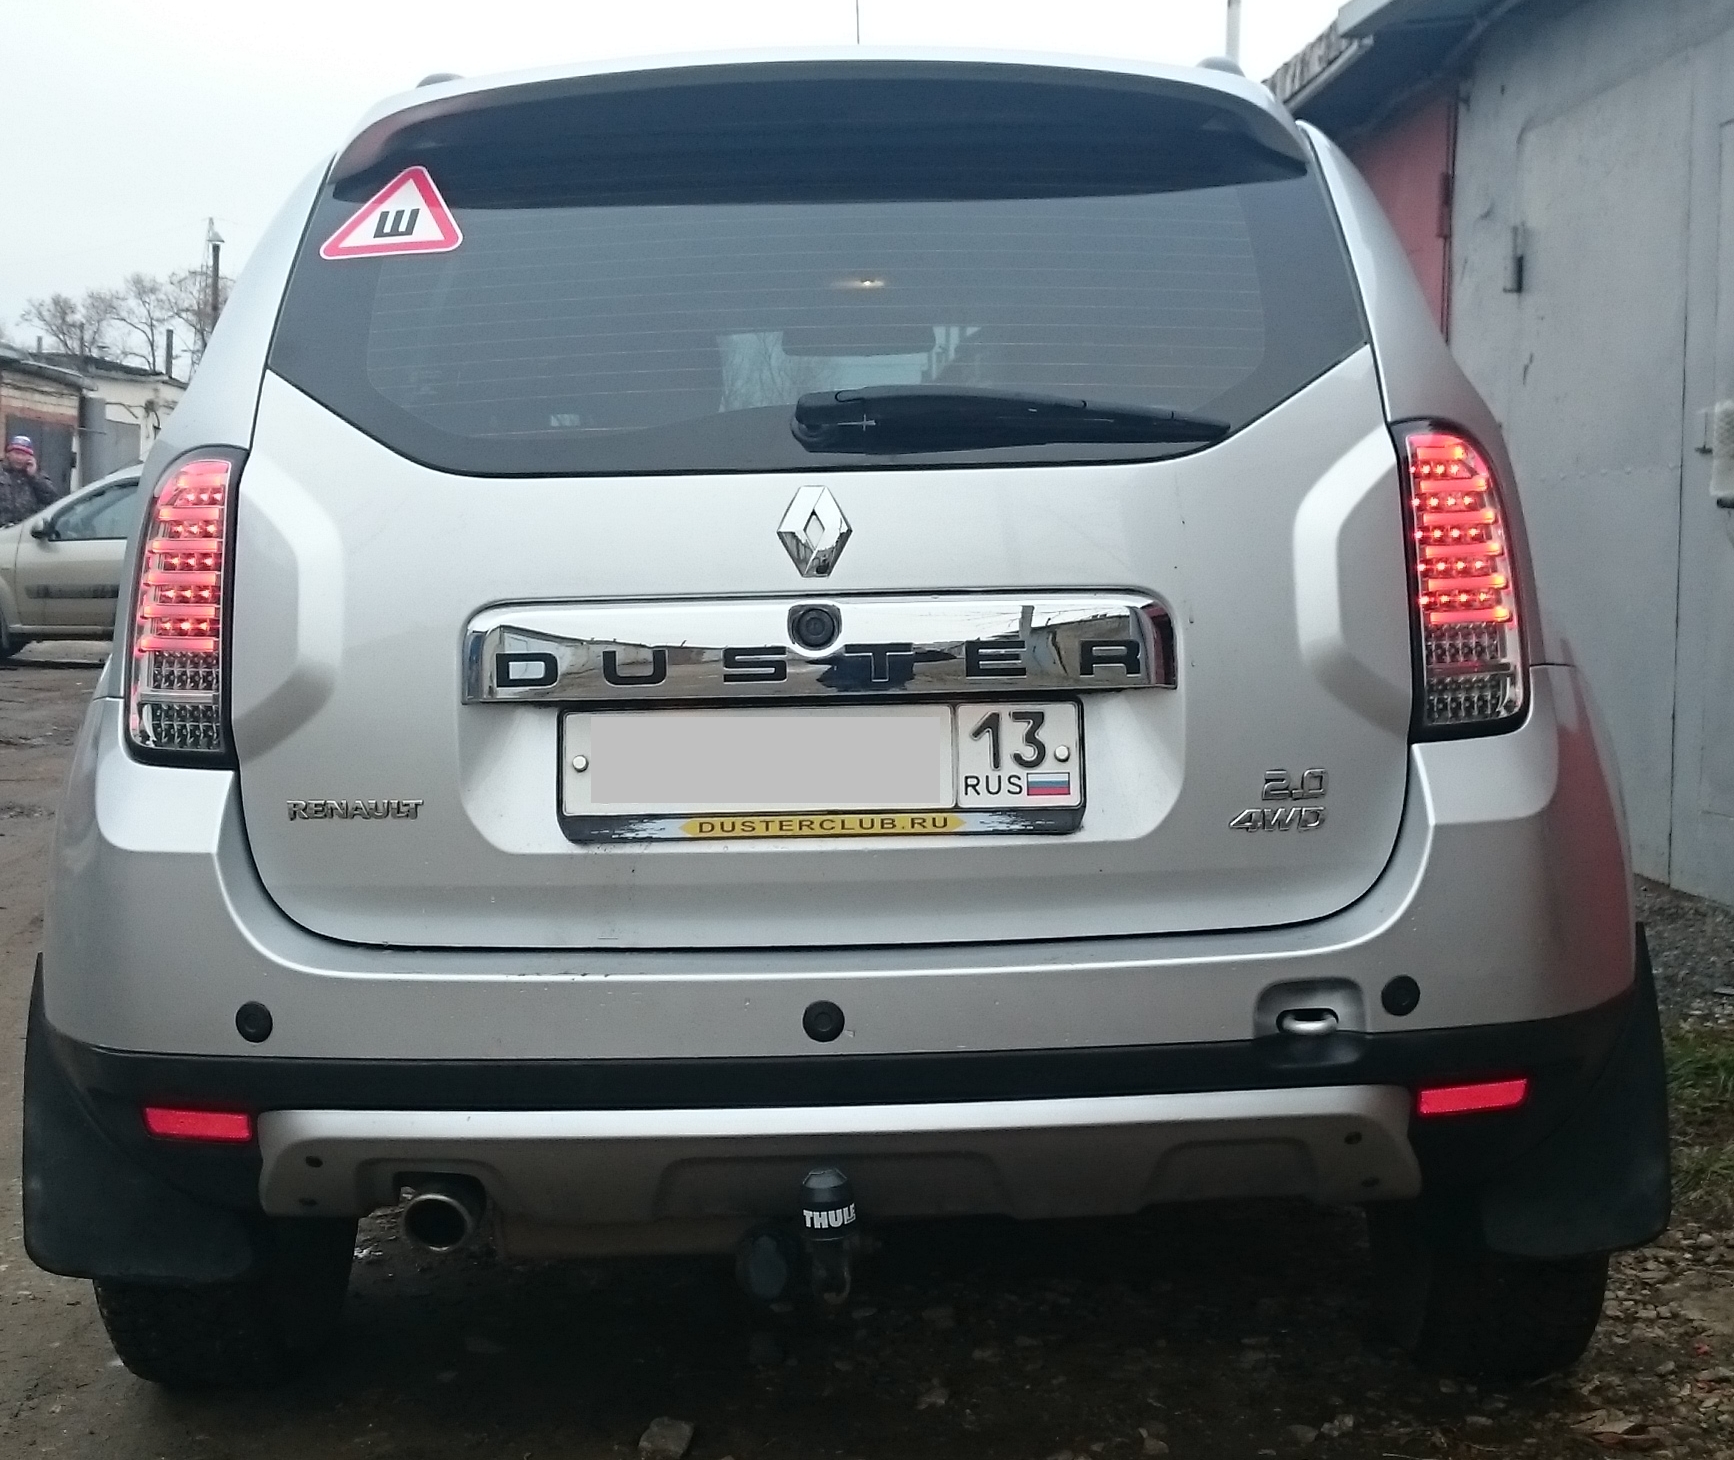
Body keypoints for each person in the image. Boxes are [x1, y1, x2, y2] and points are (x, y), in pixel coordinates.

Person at [0, 436, 59, 528]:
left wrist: (34, 476)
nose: (19, 458)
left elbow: (51, 498)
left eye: (24, 454)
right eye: (16, 453)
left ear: (30, 457)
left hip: (26, 530)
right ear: (8, 454)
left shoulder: (37, 475)